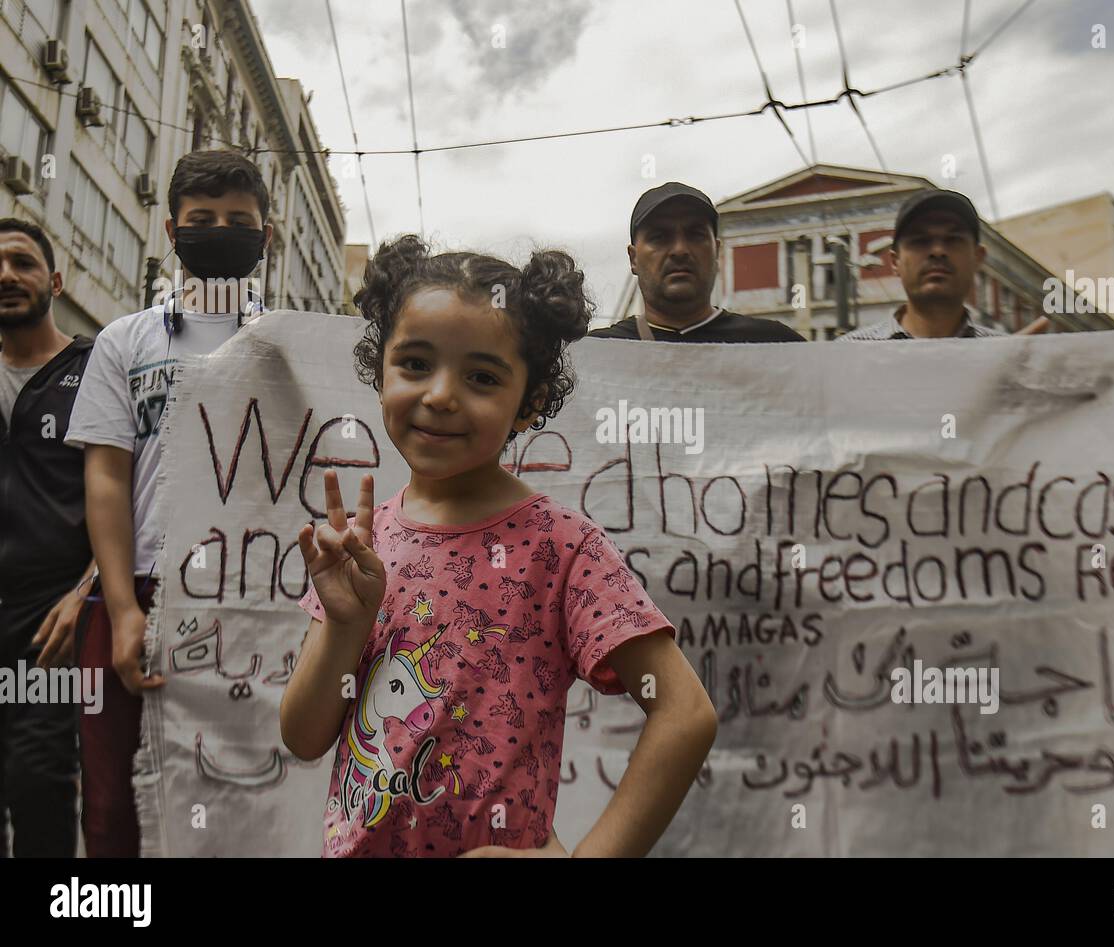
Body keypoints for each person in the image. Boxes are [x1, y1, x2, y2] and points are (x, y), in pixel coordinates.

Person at [280, 236, 717, 857]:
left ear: (530, 401)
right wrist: (346, 626)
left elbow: (685, 713)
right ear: (379, 373)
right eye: (414, 364)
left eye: (482, 376)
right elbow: (303, 735)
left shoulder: (562, 547)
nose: (439, 395)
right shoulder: (361, 545)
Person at [64, 149, 272, 857]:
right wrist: (122, 608)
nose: (221, 231)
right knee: (113, 799)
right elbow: (107, 478)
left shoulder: (293, 345)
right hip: (142, 586)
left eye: (239, 221)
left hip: (254, 595)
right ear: (172, 229)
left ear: (265, 235)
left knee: (247, 788)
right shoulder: (125, 341)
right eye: (203, 219)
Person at [0, 219, 95, 857]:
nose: (6, 275)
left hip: (49, 622)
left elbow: (133, 498)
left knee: (38, 780)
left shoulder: (97, 370)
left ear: (54, 282)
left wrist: (87, 590)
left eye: (22, 262)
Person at [589, 182, 805, 342]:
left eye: (695, 235)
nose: (680, 250)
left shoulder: (776, 347)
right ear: (633, 259)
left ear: (717, 251)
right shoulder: (596, 356)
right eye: (659, 237)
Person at [837, 188, 1049, 340]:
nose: (937, 251)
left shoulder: (1012, 358)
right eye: (920, 241)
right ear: (895, 262)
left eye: (953, 239)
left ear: (978, 257)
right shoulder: (849, 354)